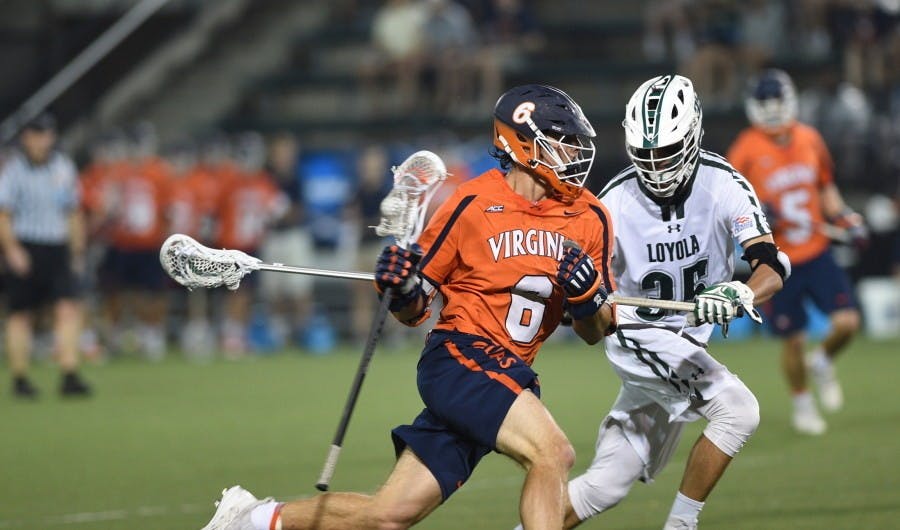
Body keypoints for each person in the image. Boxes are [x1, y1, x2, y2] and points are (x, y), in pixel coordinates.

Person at [199, 84, 616, 530]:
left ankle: (253, 520)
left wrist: (588, 297)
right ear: (523, 143)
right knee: (554, 453)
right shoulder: (472, 203)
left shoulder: (591, 216)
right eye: (563, 141)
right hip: (460, 358)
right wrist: (398, 285)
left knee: (388, 516)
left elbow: (597, 329)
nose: (574, 154)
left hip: (507, 373)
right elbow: (415, 307)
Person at [553, 75, 787, 530]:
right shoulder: (613, 203)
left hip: (685, 347)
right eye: (646, 155)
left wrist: (740, 291)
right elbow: (585, 312)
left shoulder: (724, 185)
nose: (657, 167)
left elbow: (771, 266)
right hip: (639, 335)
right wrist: (579, 302)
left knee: (605, 485)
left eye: (667, 153)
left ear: (694, 135)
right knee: (737, 411)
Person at [727, 69, 865, 435]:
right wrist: (756, 210)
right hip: (776, 261)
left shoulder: (810, 139)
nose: (772, 110)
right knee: (793, 337)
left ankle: (822, 363)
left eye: (777, 102)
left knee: (848, 323)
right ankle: (803, 403)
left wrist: (846, 217)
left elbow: (825, 188)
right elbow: (727, 202)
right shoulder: (744, 149)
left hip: (817, 250)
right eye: (765, 103)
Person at [0, 112, 91, 397]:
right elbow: (4, 214)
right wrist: (12, 249)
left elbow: (73, 211)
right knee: (20, 314)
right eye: (36, 134)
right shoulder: (13, 171)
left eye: (46, 134)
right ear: (26, 137)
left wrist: (76, 249)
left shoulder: (63, 168)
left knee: (67, 308)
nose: (42, 140)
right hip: (27, 245)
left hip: (57, 246)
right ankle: (20, 378)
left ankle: (69, 372)